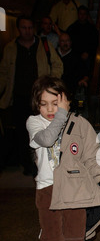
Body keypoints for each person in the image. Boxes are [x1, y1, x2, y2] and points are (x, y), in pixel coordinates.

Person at [26, 75, 100, 241]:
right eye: (44, 104)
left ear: (66, 101)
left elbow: (93, 155)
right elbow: (47, 139)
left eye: (56, 103)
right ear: (37, 105)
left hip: (75, 189)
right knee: (52, 236)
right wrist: (62, 114)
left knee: (75, 237)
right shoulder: (34, 123)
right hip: (48, 190)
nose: (50, 109)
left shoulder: (80, 125)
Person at [0, 15, 63, 175]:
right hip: (19, 97)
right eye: (23, 28)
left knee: (43, 130)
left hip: (40, 98)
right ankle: (27, 164)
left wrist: (50, 83)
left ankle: (44, 162)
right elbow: (4, 72)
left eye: (29, 27)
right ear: (18, 29)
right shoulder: (10, 48)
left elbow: (57, 65)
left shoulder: (44, 45)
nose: (27, 31)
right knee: (22, 132)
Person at [66, 5, 98, 74]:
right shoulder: (72, 28)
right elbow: (69, 42)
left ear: (87, 15)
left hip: (88, 57)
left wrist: (88, 53)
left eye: (84, 14)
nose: (82, 16)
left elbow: (95, 43)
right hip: (75, 56)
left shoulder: (92, 29)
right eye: (80, 14)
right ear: (78, 14)